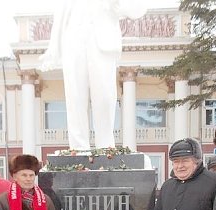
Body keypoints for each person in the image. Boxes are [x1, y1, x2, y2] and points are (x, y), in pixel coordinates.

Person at [39, 0, 147, 150]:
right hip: (73, 42)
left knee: (104, 96)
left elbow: (136, 10)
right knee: (75, 97)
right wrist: (53, 50)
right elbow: (60, 18)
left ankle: (106, 146)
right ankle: (78, 146)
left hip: (101, 44)